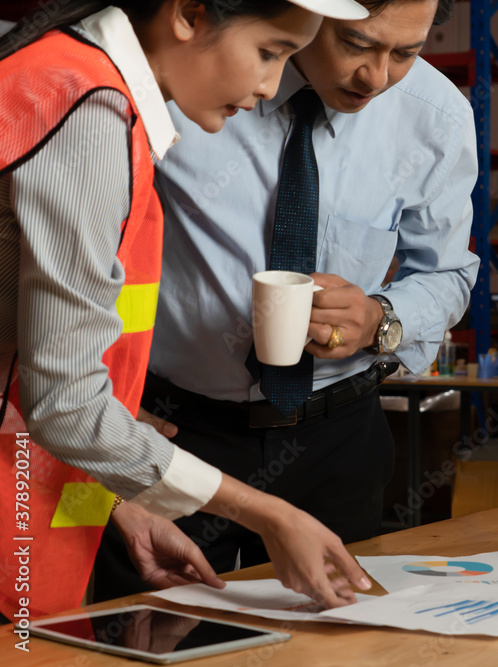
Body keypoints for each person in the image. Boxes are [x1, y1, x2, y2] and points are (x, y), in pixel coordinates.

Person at [0, 0, 376, 621]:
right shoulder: (87, 111)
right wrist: (267, 513)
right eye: (269, 52)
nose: (269, 87)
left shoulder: (78, 83)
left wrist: (126, 502)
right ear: (189, 14)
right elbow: (64, 403)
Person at [93, 0, 478, 600]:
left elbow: (448, 273)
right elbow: (91, 260)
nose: (376, 78)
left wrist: (381, 317)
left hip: (339, 436)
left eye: (405, 52)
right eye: (357, 44)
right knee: (156, 633)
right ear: (311, 14)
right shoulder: (194, 79)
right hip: (178, 430)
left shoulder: (435, 117)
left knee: (331, 642)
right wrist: (104, 405)